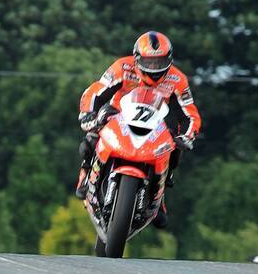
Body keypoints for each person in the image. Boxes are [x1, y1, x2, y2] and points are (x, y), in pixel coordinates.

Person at [74, 31, 202, 228]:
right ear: (137, 58)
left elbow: (189, 113)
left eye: (159, 63)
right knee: (91, 137)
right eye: (150, 63)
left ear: (169, 60)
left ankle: (159, 197)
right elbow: (96, 91)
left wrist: (187, 135)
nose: (154, 68)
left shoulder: (177, 80)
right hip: (118, 116)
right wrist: (88, 113)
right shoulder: (122, 67)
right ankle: (85, 173)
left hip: (156, 123)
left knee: (174, 148)